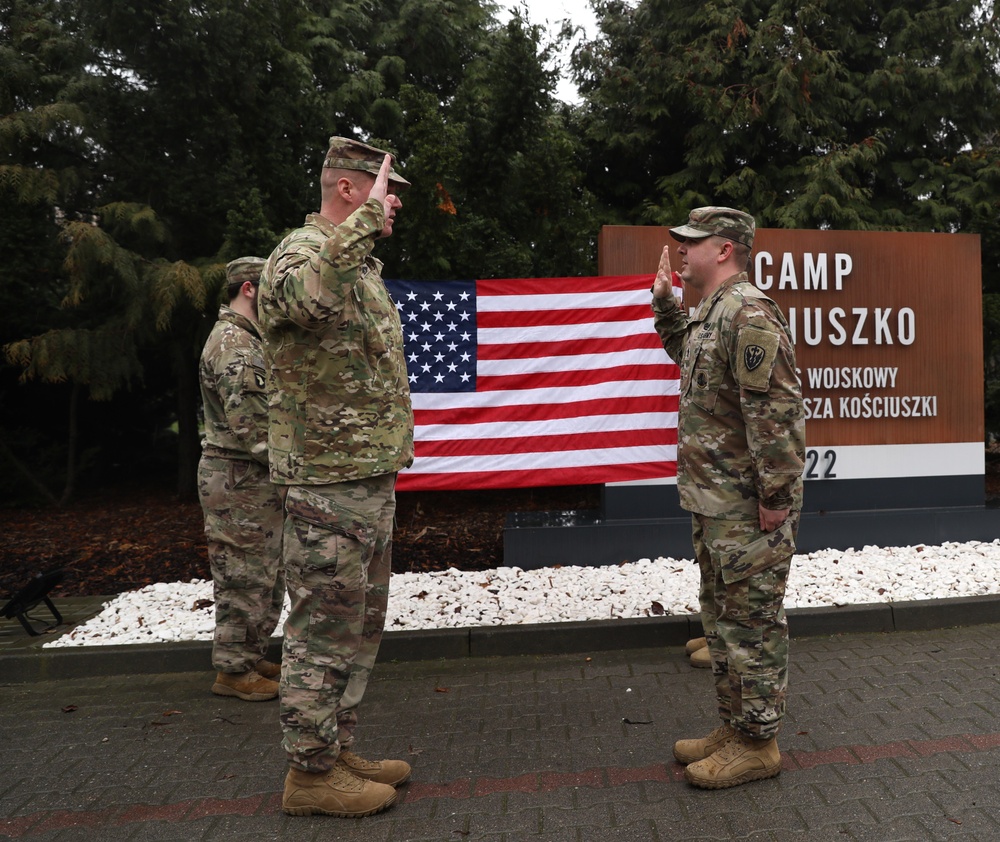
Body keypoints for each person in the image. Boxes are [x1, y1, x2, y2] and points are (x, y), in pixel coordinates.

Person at [258, 137, 414, 818]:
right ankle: (310, 773)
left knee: (358, 624)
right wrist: (357, 229)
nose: (396, 201)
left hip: (363, 475)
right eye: (386, 188)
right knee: (323, 626)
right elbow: (307, 302)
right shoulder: (299, 253)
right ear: (349, 190)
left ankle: (336, 747)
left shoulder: (360, 265)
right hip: (325, 480)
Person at [650, 207, 805, 789]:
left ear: (724, 250)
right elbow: (687, 359)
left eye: (692, 242)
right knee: (721, 622)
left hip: (746, 506)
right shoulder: (713, 314)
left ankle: (759, 743)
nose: (681, 250)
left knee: (752, 625)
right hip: (716, 502)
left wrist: (776, 496)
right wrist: (666, 304)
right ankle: (735, 726)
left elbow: (778, 415)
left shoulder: (749, 311)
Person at [197, 257, 285, 702]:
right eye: (272, 286)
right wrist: (293, 470)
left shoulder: (249, 339)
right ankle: (232, 671)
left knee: (265, 573)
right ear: (250, 289)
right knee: (243, 574)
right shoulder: (234, 344)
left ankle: (249, 655)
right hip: (240, 476)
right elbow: (252, 424)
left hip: (249, 476)